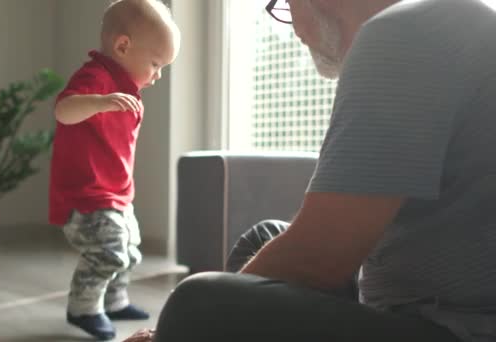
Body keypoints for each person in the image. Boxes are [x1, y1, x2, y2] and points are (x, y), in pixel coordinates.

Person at [124, 0, 496, 341]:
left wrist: (162, 335)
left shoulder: (404, 33)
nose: (290, 24)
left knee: (197, 304)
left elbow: (321, 257)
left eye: (284, 3)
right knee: (264, 238)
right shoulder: (444, 19)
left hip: (456, 326)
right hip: (421, 295)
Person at [49, 0, 180, 340]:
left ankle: (115, 300)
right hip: (87, 194)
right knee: (108, 251)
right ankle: (83, 307)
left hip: (117, 193)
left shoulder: (126, 86)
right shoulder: (97, 78)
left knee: (130, 250)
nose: (158, 75)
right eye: (155, 64)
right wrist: (100, 101)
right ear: (123, 46)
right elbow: (63, 110)